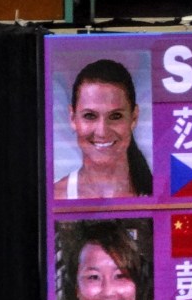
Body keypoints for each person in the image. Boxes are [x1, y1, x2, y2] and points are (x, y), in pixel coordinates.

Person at [54, 58, 153, 200]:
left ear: (134, 117)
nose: (102, 132)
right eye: (90, 116)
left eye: (115, 116)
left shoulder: (160, 195)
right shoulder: (54, 197)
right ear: (72, 118)